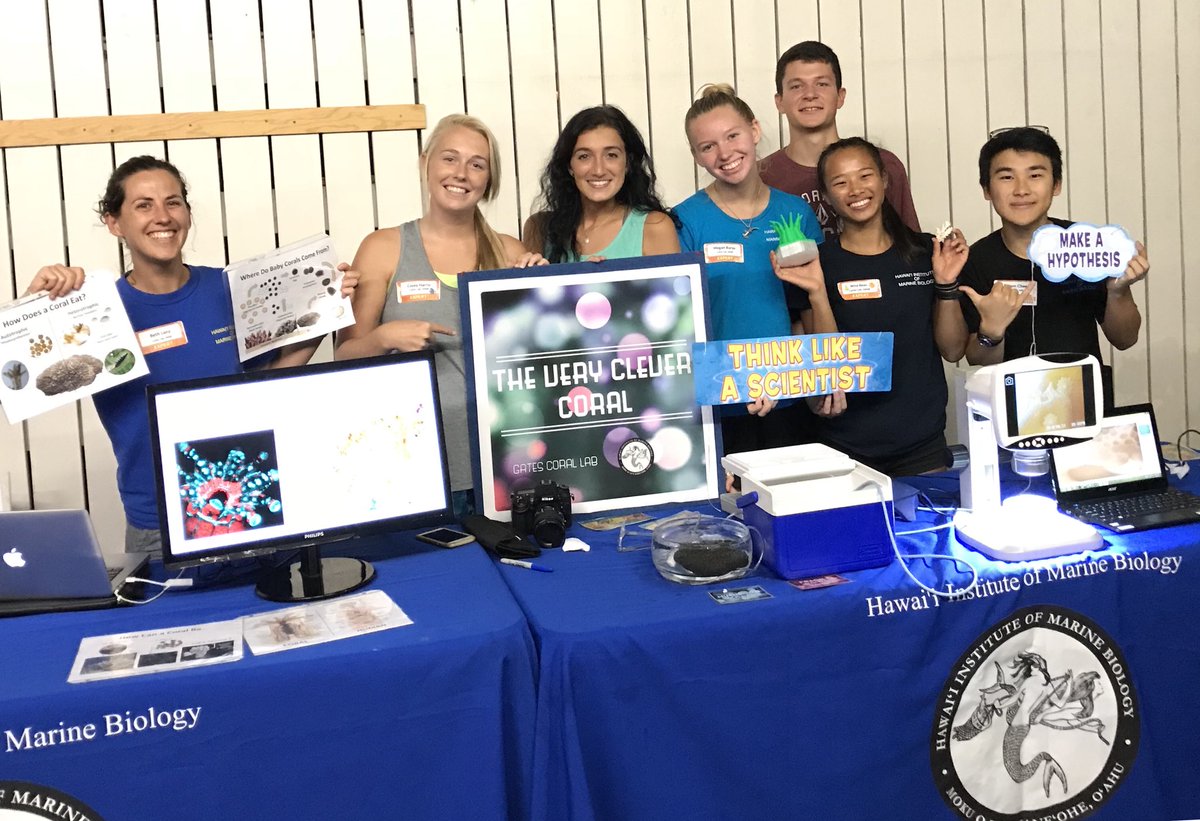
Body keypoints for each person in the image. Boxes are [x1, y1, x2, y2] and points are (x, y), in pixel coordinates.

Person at [25, 156, 352, 554]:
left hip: (252, 506)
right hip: (159, 525)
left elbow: (265, 385)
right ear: (114, 223)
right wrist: (35, 308)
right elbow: (25, 385)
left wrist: (324, 310)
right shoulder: (93, 314)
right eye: (143, 205)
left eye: (173, 202)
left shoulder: (230, 289)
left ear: (187, 213)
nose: (162, 216)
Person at [336, 114, 546, 513]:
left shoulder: (511, 253)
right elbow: (344, 357)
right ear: (425, 163)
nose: (461, 173)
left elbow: (542, 360)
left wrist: (554, 289)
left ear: (489, 179)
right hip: (413, 464)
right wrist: (384, 338)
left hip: (505, 460)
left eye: (476, 164)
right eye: (450, 158)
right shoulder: (383, 247)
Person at [785, 137, 970, 476]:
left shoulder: (927, 252)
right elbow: (825, 365)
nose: (856, 189)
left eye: (865, 176)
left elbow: (954, 349)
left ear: (884, 179)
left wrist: (946, 284)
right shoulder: (816, 264)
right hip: (842, 447)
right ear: (826, 196)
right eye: (840, 182)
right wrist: (818, 292)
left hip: (922, 445)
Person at [674, 83, 830, 457]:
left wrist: (822, 377)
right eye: (708, 146)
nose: (725, 153)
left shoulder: (796, 213)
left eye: (733, 136)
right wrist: (736, 382)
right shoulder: (684, 221)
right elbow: (680, 327)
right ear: (696, 156)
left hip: (791, 399)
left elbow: (811, 308)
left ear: (755, 130)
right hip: (719, 406)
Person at [958, 127, 1150, 398]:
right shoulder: (975, 260)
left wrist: (1118, 291)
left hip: (1082, 399)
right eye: (1007, 177)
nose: (1021, 189)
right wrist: (991, 331)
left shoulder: (1086, 246)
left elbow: (1125, 339)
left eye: (1035, 175)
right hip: (1009, 407)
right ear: (987, 189)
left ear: (1056, 184)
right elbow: (977, 359)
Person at [760, 40, 920, 240]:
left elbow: (913, 248)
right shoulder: (761, 177)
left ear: (840, 96)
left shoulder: (883, 164)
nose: (810, 95)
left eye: (822, 84)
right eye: (796, 86)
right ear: (779, 102)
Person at [523, 105, 680, 262]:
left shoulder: (655, 227)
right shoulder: (539, 228)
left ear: (628, 163)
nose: (598, 170)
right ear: (569, 166)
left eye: (611, 155)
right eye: (584, 156)